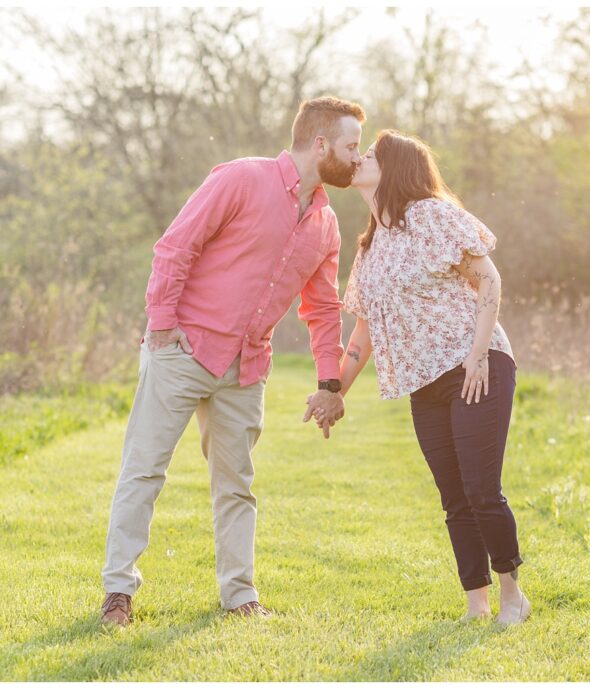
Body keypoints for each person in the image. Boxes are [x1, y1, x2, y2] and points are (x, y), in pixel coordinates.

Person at [100, 97, 364, 626]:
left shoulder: (326, 224)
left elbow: (322, 308)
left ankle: (239, 596)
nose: (358, 159)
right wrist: (161, 326)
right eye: (351, 147)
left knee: (236, 484)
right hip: (183, 352)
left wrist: (330, 381)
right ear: (319, 144)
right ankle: (118, 592)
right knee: (145, 470)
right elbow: (176, 246)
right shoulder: (243, 178)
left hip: (247, 368)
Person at [322, 129, 530, 625]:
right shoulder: (370, 248)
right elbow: (362, 334)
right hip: (424, 382)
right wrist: (334, 391)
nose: (359, 160)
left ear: (394, 168)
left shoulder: (430, 216)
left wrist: (478, 356)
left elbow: (490, 279)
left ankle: (512, 596)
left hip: (473, 366)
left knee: (482, 489)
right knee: (454, 497)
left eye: (369, 155)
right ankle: (476, 603)